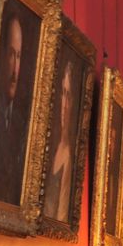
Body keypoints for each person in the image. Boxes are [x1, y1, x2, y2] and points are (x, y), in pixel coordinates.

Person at [0, 10, 36, 207]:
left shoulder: (25, 121)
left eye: (19, 56)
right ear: (1, 55)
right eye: (12, 54)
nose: (15, 70)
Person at [40, 55, 83, 225]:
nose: (65, 104)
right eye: (63, 94)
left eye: (69, 95)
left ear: (72, 103)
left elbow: (62, 218)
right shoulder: (45, 143)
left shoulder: (68, 154)